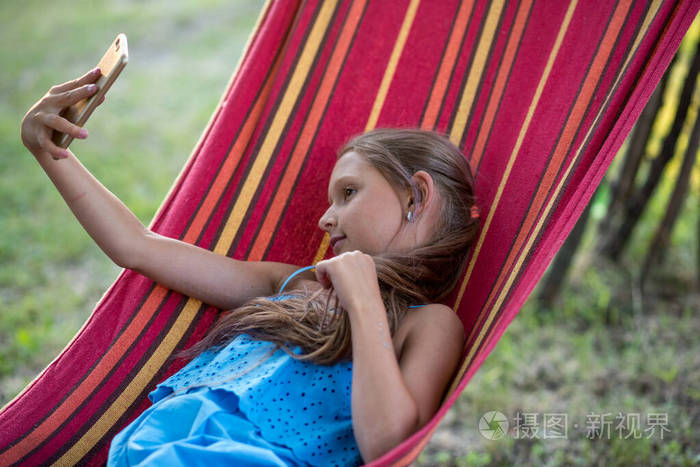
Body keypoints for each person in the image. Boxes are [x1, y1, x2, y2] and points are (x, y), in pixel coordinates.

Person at [21, 68, 480, 466]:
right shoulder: (292, 281)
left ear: (414, 196)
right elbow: (137, 247)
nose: (325, 218)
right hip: (155, 446)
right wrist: (51, 151)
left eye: (348, 193)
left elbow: (389, 445)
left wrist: (363, 300)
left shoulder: (430, 326)